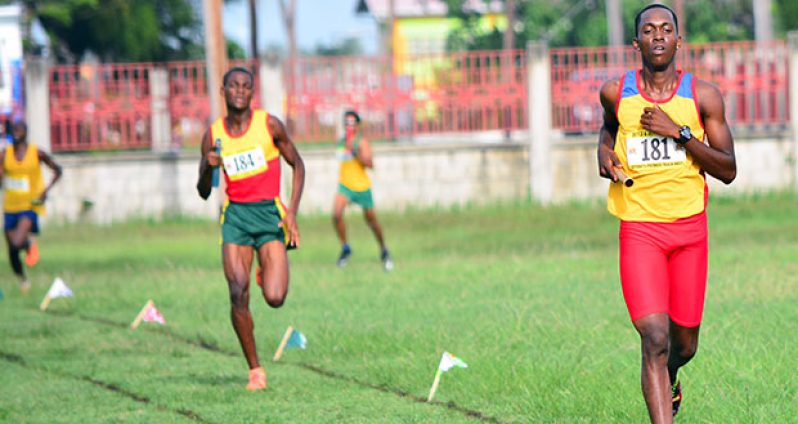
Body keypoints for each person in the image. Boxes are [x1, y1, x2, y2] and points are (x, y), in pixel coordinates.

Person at [597, 4, 736, 422]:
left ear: (679, 40)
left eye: (666, 29)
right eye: (648, 30)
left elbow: (727, 169)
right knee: (654, 338)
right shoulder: (614, 91)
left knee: (684, 345)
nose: (658, 36)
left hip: (690, 231)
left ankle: (671, 374)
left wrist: (678, 133)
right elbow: (610, 125)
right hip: (640, 230)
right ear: (636, 42)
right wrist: (603, 151)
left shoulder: (703, 95)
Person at [196, 67, 305, 391]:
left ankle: (263, 268)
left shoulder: (269, 125)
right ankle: (255, 370)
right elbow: (203, 190)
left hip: (269, 216)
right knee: (236, 291)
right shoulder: (213, 135)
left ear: (251, 92)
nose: (240, 91)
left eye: (246, 86)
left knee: (274, 297)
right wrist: (206, 166)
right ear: (223, 90)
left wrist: (293, 213)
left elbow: (298, 164)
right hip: (236, 219)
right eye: (234, 86)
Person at [1, 120, 63, 294]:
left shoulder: (37, 153)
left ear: (26, 132)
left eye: (19, 129)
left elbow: (58, 170)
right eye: (14, 130)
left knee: (15, 244)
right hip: (9, 207)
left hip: (29, 206)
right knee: (12, 252)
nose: (16, 132)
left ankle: (28, 243)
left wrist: (45, 191)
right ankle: (23, 280)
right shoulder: (5, 154)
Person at [332, 110, 393, 271]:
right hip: (345, 187)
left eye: (352, 123)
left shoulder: (362, 142)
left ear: (358, 125)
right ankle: (345, 248)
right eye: (346, 123)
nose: (349, 126)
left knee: (372, 221)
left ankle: (384, 249)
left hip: (362, 188)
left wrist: (355, 151)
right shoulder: (340, 142)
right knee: (336, 214)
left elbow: (370, 164)